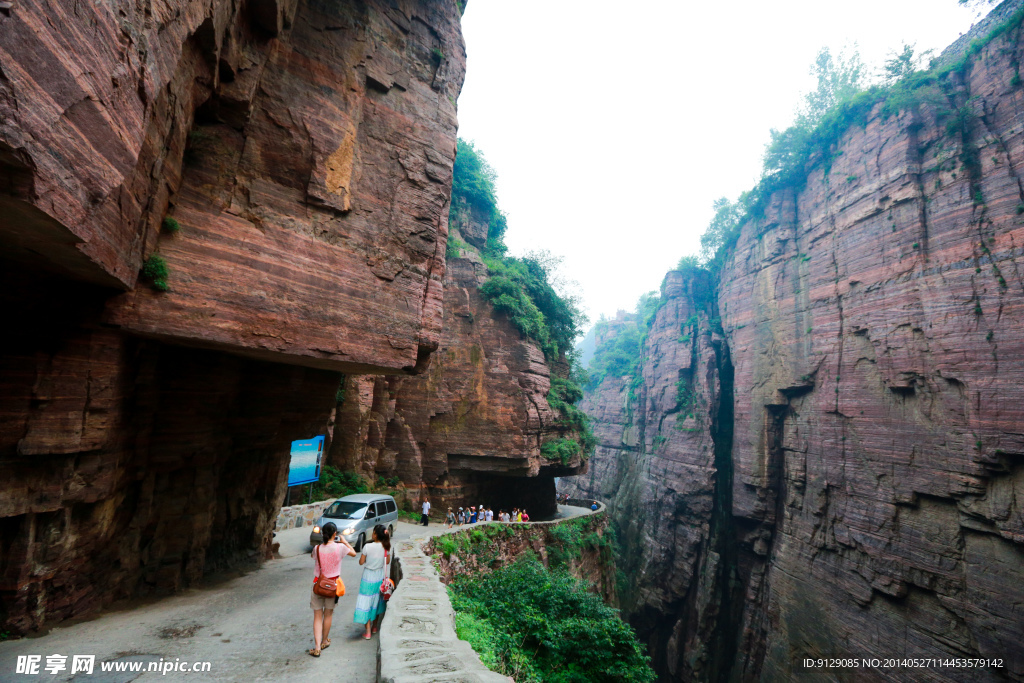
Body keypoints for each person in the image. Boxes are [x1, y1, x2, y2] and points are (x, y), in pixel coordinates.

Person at [309, 522, 356, 657]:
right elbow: (353, 553)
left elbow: (314, 557)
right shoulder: (340, 547)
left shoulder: (317, 548)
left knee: (317, 616)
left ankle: (317, 647)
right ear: (334, 534)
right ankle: (324, 641)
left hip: (317, 585)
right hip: (332, 587)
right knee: (328, 614)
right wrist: (345, 541)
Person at [354, 524, 391, 640]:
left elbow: (361, 562)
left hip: (368, 576)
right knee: (376, 601)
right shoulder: (385, 547)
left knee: (366, 602)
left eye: (373, 532)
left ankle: (368, 631)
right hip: (379, 576)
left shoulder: (367, 547)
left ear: (375, 535)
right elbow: (387, 561)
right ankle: (375, 627)